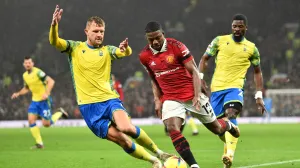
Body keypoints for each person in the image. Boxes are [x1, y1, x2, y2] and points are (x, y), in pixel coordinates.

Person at [49, 5, 171, 168]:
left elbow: (124, 52)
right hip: (89, 108)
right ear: (86, 32)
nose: (99, 34)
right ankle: (154, 161)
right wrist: (54, 26)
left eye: (102, 31)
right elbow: (54, 42)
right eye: (96, 31)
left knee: (126, 127)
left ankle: (159, 152)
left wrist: (125, 48)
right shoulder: (75, 48)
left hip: (109, 100)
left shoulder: (107, 50)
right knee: (124, 142)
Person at [139, 21, 239, 168]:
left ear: (163, 34)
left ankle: (228, 125)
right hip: (170, 97)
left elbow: (194, 71)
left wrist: (197, 95)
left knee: (217, 128)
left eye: (157, 37)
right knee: (172, 128)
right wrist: (157, 100)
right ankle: (193, 165)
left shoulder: (177, 46)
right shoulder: (144, 56)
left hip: (191, 94)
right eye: (150, 39)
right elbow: (153, 79)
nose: (154, 41)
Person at [199, 14, 267, 168]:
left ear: (245, 28)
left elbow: (257, 72)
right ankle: (229, 149)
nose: (237, 29)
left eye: (240, 26)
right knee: (218, 128)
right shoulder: (219, 40)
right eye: (234, 26)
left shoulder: (251, 48)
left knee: (231, 114)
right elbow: (204, 59)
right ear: (231, 27)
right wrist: (200, 78)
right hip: (216, 89)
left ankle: (229, 154)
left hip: (235, 87)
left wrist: (258, 95)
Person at [11, 56, 68, 149]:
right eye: (26, 63)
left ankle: (60, 112)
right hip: (35, 101)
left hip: (44, 101)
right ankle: (39, 143)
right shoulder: (25, 75)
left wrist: (46, 93)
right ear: (23, 65)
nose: (28, 64)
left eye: (29, 62)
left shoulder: (38, 72)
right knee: (31, 120)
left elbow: (51, 81)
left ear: (32, 63)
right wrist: (18, 93)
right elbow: (27, 88)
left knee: (46, 124)